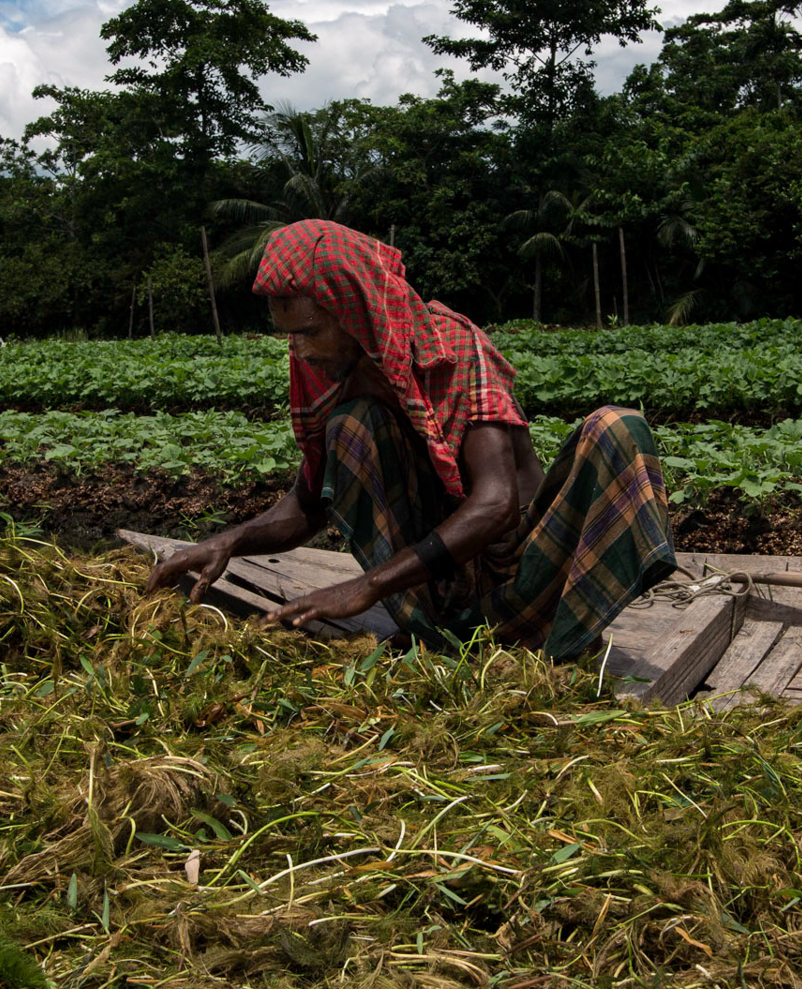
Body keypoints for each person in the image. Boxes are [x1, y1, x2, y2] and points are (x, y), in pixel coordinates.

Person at [145, 219, 677, 662]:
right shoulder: (331, 373)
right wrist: (229, 542)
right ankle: (435, 636)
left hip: (529, 569)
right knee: (351, 428)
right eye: (288, 333)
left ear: (354, 311)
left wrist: (367, 586)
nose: (298, 350)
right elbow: (308, 503)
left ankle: (562, 645)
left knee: (617, 427)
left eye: (308, 331)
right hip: (441, 591)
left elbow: (495, 504)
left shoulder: (450, 346)